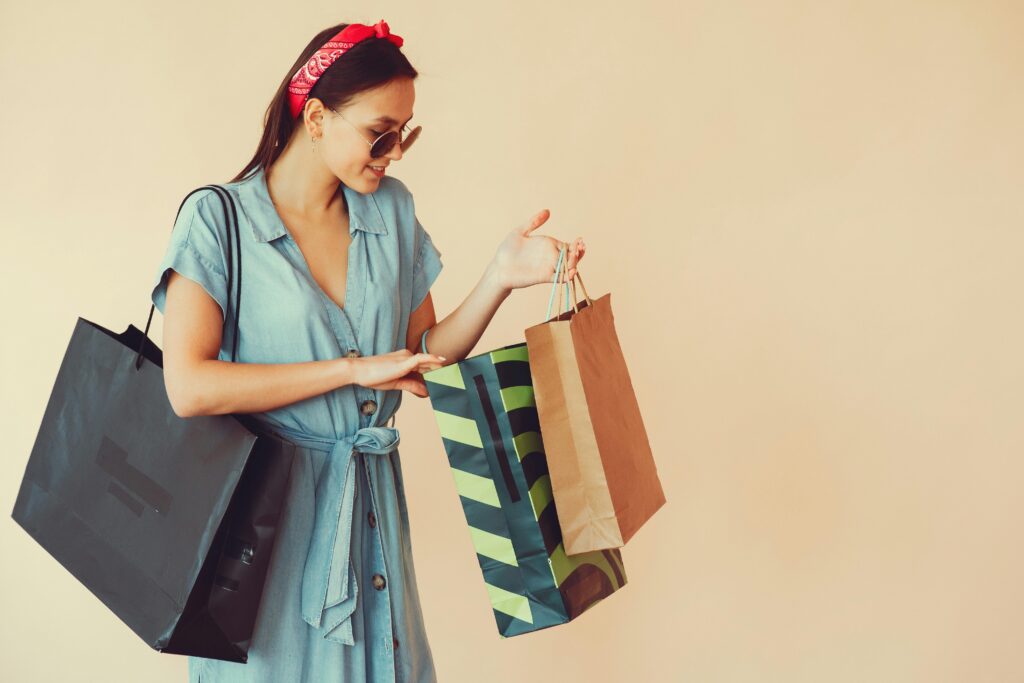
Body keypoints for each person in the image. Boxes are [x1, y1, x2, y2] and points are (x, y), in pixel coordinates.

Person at [149, 19, 585, 683]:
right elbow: (188, 385)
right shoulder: (219, 221)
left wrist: (499, 275)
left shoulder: (393, 210)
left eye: (404, 134)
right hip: (264, 527)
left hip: (371, 508)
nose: (395, 153)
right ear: (318, 117)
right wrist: (353, 369)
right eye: (380, 133)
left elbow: (421, 353)